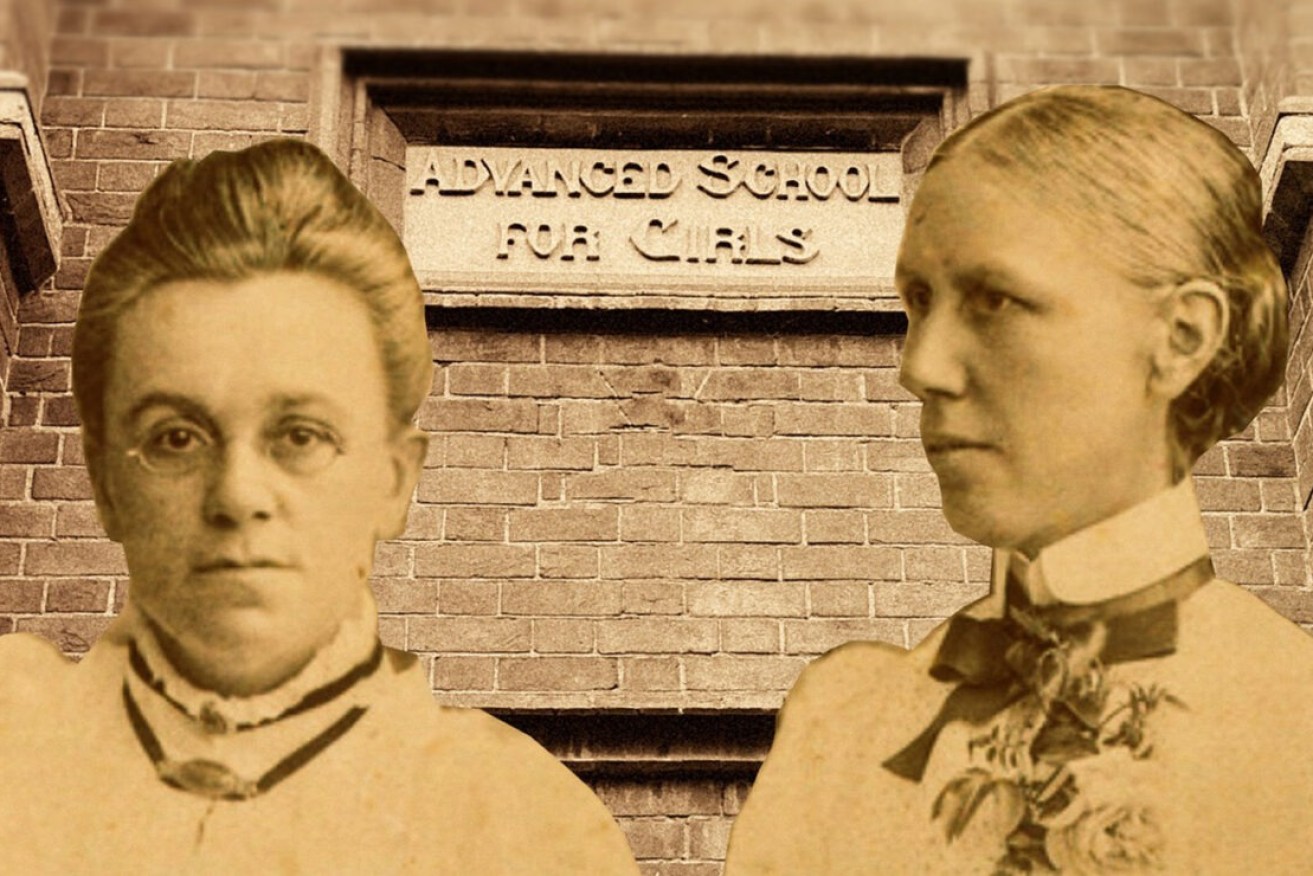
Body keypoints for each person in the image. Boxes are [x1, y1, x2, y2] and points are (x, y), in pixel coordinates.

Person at [0, 138, 638, 875]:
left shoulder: (526, 832)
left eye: (301, 436)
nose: (238, 495)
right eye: (175, 438)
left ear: (392, 482)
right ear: (106, 482)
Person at [724, 85, 1313, 875]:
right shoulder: (845, 727)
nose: (920, 368)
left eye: (995, 300)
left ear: (1181, 336)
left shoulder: (1289, 718)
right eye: (917, 305)